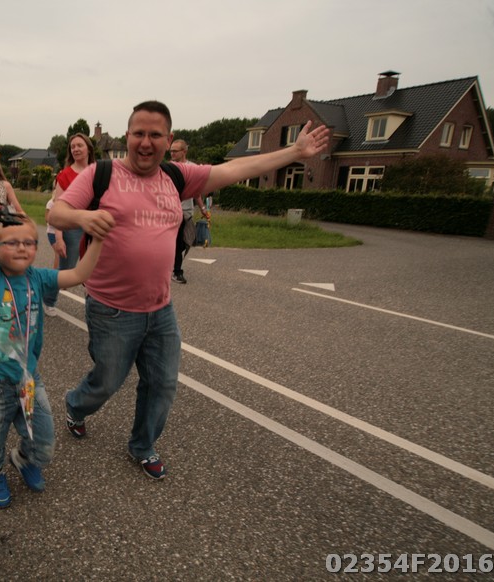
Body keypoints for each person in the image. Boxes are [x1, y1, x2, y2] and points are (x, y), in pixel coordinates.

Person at [49, 100, 329, 479]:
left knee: (162, 383)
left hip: (160, 309)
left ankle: (142, 446)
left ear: (168, 141)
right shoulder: (102, 173)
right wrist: (83, 216)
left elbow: (235, 169)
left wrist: (294, 152)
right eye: (138, 133)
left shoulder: (177, 176)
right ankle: (76, 405)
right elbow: (57, 212)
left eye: (155, 135)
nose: (145, 142)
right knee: (107, 381)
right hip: (111, 308)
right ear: (127, 136)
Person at [0, 189, 106, 508]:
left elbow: (80, 273)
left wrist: (98, 238)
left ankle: (24, 459)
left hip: (27, 379)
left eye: (29, 242)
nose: (22, 247)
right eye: (12, 242)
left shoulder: (38, 278)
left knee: (44, 440)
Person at [43, 133, 94, 315]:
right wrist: (59, 237)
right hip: (72, 228)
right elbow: (58, 208)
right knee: (66, 270)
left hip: (93, 226)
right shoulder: (65, 175)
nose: (76, 149)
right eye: (73, 146)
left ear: (88, 148)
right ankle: (48, 299)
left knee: (95, 269)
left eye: (80, 145)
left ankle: (96, 306)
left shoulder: (97, 171)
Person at [169, 139, 210, 284]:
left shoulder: (193, 168)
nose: (172, 153)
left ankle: (171, 265)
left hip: (187, 212)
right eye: (171, 151)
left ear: (184, 151)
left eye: (175, 151)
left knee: (184, 243)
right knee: (177, 241)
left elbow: (196, 192)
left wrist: (203, 208)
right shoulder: (168, 168)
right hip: (172, 212)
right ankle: (177, 272)